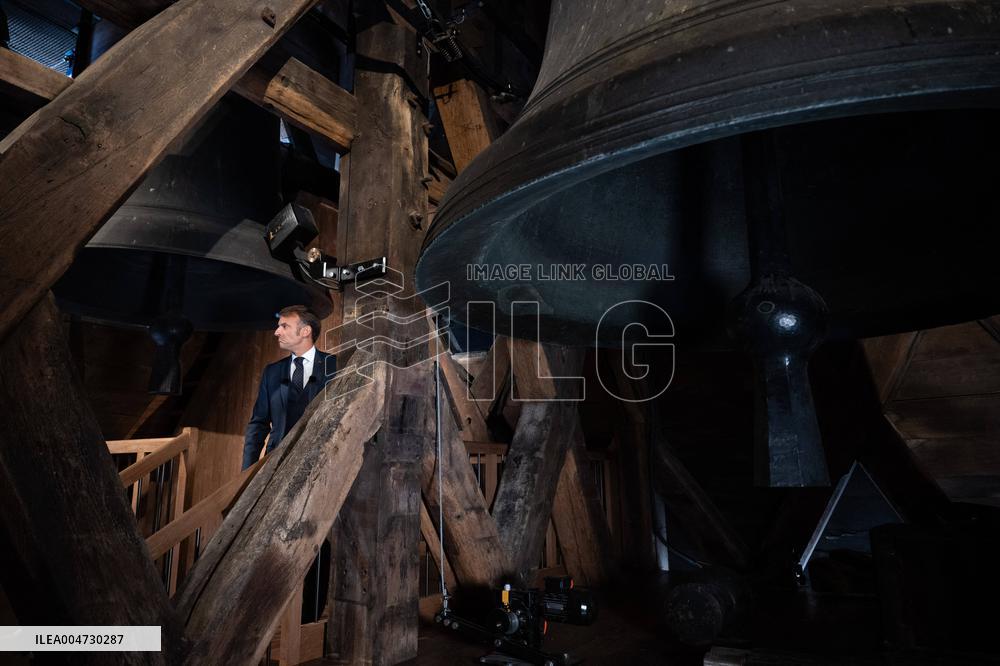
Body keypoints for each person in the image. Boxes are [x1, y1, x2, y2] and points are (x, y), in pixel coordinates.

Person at [242, 305, 336, 470]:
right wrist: (247, 472)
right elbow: (258, 424)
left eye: (284, 326)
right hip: (274, 465)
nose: (277, 332)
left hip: (322, 465)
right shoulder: (272, 372)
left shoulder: (335, 365)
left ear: (305, 331)